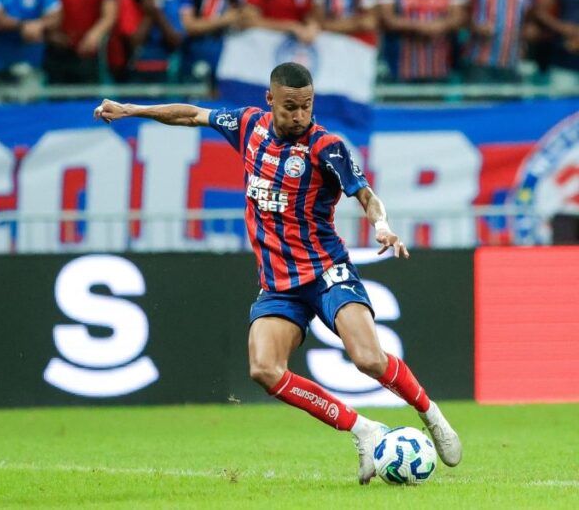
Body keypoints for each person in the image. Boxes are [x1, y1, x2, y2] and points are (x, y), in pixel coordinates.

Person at [92, 62, 462, 484]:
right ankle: (364, 430)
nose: (299, 116)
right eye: (290, 107)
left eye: (306, 106)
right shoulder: (248, 126)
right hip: (279, 285)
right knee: (263, 369)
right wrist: (131, 110)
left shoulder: (327, 147)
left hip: (327, 271)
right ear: (270, 101)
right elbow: (193, 114)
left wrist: (381, 225)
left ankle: (432, 415)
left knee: (367, 358)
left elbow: (365, 193)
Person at [375, 0, 463, 82]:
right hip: (399, 68)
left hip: (440, 66)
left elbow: (458, 18)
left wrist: (438, 26)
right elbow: (386, 19)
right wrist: (423, 28)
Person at [452, 0, 532, 83]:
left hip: (512, 63)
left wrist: (525, 34)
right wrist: (475, 27)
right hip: (480, 63)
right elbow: (456, 10)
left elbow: (530, 14)